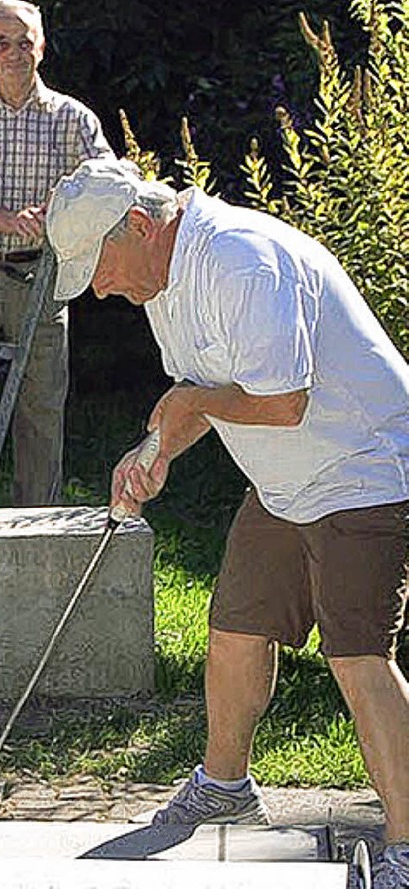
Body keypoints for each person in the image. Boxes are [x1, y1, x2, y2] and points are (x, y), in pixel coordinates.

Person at [46, 157, 409, 888]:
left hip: (365, 466)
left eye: (102, 266)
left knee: (358, 654)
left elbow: (284, 403)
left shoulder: (242, 261)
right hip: (285, 479)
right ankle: (225, 787)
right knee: (235, 625)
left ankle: (406, 842)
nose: (103, 287)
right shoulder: (162, 280)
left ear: (142, 227)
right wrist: (154, 450)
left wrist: (190, 407)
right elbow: (200, 392)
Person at [0, 0, 113, 524]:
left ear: (43, 45)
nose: (13, 52)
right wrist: (7, 220)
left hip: (44, 273)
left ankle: (33, 520)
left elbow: (105, 185)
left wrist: (60, 211)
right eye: (1, 43)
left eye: (23, 41)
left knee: (41, 402)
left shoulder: (73, 118)